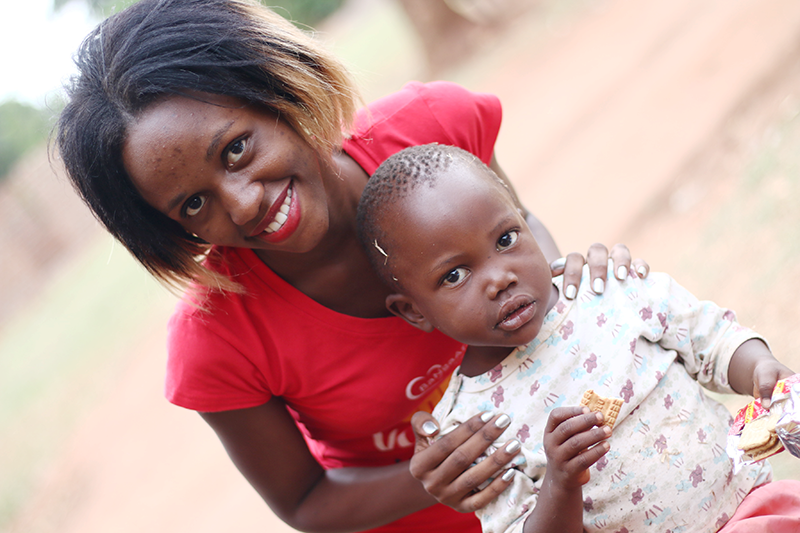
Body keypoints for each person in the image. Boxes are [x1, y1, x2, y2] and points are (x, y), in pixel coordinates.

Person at [54, 1, 648, 531]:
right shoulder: (217, 343)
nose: (242, 203)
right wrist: (426, 477)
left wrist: (573, 285)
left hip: (604, 485)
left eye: (236, 149)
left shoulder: (428, 133)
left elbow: (518, 227)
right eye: (193, 204)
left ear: (277, 91)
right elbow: (306, 502)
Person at [356, 143, 800, 533]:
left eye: (506, 238)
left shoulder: (608, 290)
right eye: (455, 274)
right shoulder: (472, 429)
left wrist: (759, 367)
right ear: (414, 310)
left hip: (757, 509)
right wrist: (561, 481)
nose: (499, 278)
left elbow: (712, 339)